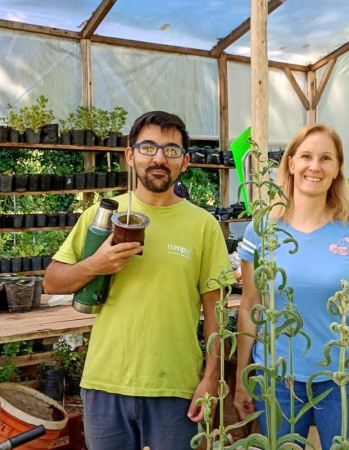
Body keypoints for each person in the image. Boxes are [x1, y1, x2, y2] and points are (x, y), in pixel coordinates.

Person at [43, 111, 233, 450]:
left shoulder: (203, 225)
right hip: (106, 381)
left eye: (171, 150)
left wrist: (211, 378)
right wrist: (96, 264)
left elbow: (215, 313)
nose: (159, 158)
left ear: (185, 162)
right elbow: (53, 282)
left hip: (174, 387)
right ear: (130, 156)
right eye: (148, 147)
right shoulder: (101, 217)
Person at [232, 124, 349, 447]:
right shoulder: (261, 229)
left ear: (337, 169)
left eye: (326, 158)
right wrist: (241, 381)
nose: (314, 166)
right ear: (290, 163)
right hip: (277, 379)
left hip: (344, 380)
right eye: (305, 156)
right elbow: (250, 305)